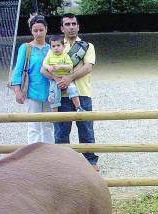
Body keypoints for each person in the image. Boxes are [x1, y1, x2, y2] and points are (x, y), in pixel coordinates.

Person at [41, 13, 99, 171]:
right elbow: (43, 69)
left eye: (74, 24)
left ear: (78, 26)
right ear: (62, 27)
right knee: (61, 131)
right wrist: (57, 79)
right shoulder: (56, 46)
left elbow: (88, 67)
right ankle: (62, 163)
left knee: (86, 129)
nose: (71, 27)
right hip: (61, 95)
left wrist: (69, 78)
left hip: (83, 92)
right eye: (67, 24)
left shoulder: (87, 46)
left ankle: (91, 162)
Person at [10, 15, 53, 144]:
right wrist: (17, 91)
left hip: (50, 91)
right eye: (35, 30)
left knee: (48, 125)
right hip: (31, 91)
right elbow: (17, 70)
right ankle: (33, 155)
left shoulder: (52, 48)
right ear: (31, 31)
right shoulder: (26, 48)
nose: (38, 33)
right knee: (34, 126)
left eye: (41, 30)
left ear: (46, 29)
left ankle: (49, 153)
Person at [41, 35, 84, 112]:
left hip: (65, 77)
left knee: (73, 89)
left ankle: (78, 107)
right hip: (54, 79)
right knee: (54, 95)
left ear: (63, 47)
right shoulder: (50, 56)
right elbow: (44, 64)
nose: (56, 48)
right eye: (53, 46)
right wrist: (48, 67)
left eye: (58, 45)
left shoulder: (65, 56)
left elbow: (70, 66)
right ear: (51, 48)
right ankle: (55, 112)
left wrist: (61, 66)